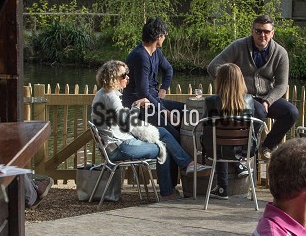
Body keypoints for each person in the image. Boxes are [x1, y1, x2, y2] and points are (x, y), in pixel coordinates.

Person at [89, 60, 197, 200]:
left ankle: (186, 165)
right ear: (113, 78)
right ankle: (169, 190)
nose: (128, 77)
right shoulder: (111, 97)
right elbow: (128, 125)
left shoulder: (103, 93)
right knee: (163, 146)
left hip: (115, 144)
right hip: (120, 147)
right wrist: (136, 107)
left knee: (162, 132)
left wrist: (135, 105)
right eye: (124, 75)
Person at [208, 14, 298, 152]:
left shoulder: (281, 53)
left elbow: (281, 85)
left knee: (291, 112)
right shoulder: (238, 46)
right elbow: (213, 67)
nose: (262, 35)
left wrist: (268, 100)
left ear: (272, 33)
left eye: (266, 31)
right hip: (243, 95)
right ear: (252, 31)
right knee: (259, 112)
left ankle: (267, 146)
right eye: (258, 31)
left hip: (266, 96)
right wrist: (232, 85)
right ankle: (246, 149)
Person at [200, 62, 256, 198]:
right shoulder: (249, 100)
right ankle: (239, 166)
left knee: (218, 140)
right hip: (243, 150)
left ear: (221, 81)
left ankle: (222, 188)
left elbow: (205, 125)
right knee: (225, 140)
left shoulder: (211, 101)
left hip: (216, 150)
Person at [123, 17, 184, 129]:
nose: (165, 37)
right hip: (138, 106)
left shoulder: (157, 53)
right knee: (171, 131)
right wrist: (167, 113)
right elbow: (143, 94)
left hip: (153, 101)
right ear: (158, 36)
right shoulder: (141, 57)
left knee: (187, 111)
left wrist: (163, 88)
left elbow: (169, 69)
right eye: (164, 34)